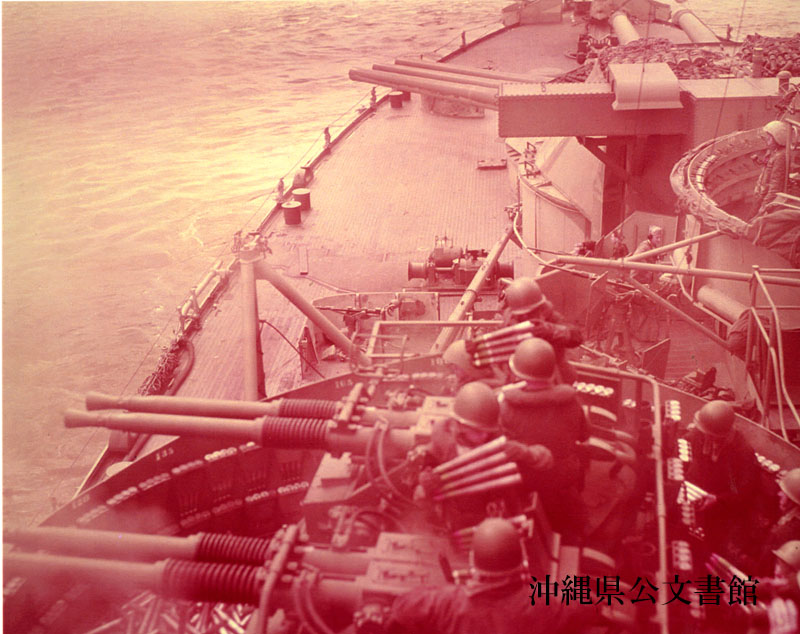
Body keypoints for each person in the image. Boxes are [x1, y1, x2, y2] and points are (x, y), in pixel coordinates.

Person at [386, 518, 570, 634]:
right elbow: (581, 603)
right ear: (522, 560)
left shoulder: (437, 604)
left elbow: (400, 614)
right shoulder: (550, 603)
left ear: (472, 559)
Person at [498, 338, 588, 542]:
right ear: (552, 370)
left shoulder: (505, 407)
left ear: (518, 372)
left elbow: (501, 447)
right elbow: (584, 435)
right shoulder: (572, 403)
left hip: (524, 484)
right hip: (562, 481)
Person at [682, 400, 762, 559]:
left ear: (720, 435)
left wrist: (718, 499)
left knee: (708, 548)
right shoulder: (701, 433)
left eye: (709, 435)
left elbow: (742, 492)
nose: (705, 436)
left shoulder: (742, 453)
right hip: (695, 496)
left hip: (721, 512)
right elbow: (686, 442)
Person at [499, 277, 582, 383]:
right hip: (521, 372)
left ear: (540, 308)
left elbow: (576, 337)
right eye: (522, 315)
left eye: (531, 313)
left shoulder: (551, 318)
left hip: (552, 371)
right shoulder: (509, 321)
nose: (526, 317)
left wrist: (551, 331)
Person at [759, 470, 800, 573]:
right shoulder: (790, 521)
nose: (779, 494)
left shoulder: (786, 531)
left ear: (792, 500)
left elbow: (765, 566)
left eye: (784, 493)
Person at [751, 120, 792, 219]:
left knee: (753, 220)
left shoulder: (780, 156)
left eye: (770, 138)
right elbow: (768, 168)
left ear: (778, 139)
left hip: (765, 198)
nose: (767, 141)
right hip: (761, 194)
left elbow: (775, 186)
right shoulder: (775, 152)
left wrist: (764, 206)